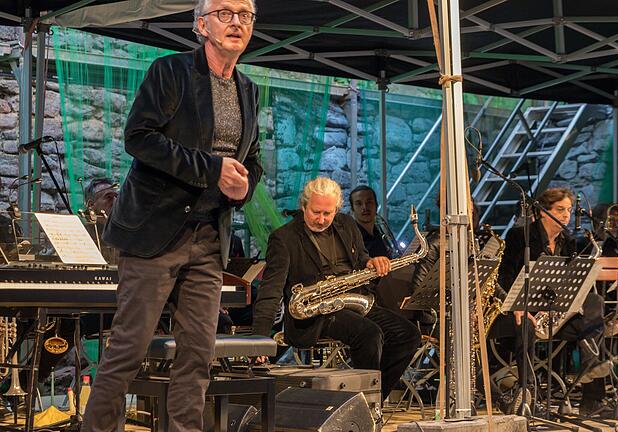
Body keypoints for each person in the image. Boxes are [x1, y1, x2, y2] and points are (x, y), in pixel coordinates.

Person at [82, 1, 262, 430]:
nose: (236, 21)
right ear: (201, 24)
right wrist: (212, 169)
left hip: (207, 236)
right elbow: (139, 137)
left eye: (246, 14)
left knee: (198, 355)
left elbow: (251, 159)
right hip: (154, 231)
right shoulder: (171, 72)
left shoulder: (248, 89)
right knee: (129, 349)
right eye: (224, 12)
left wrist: (245, 186)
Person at [251, 177, 420, 400]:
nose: (321, 220)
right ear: (303, 206)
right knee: (369, 334)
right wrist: (259, 342)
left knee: (408, 335)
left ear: (337, 210)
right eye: (315, 212)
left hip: (353, 301)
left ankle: (372, 398)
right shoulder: (283, 239)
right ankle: (363, 404)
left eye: (327, 214)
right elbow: (270, 291)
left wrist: (371, 263)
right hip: (315, 314)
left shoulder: (347, 225)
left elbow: (361, 258)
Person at [496, 187, 609, 416]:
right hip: (522, 311)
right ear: (542, 212)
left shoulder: (568, 240)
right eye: (560, 210)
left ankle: (592, 398)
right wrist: (516, 305)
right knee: (526, 325)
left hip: (554, 312)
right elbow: (504, 276)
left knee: (594, 305)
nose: (567, 215)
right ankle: (529, 398)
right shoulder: (520, 236)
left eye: (568, 210)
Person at [349, 185, 400, 259]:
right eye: (359, 204)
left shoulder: (379, 232)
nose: (365, 207)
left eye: (369, 202)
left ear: (376, 206)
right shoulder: (351, 238)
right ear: (352, 210)